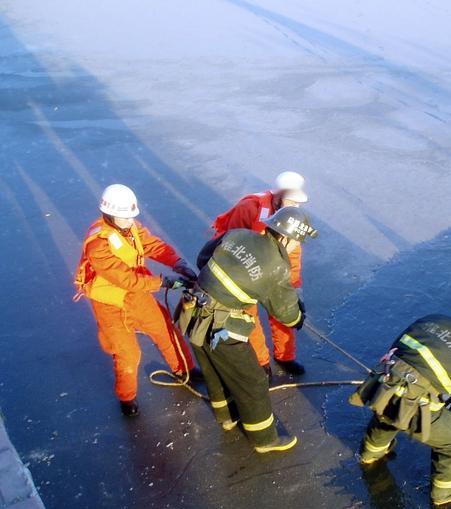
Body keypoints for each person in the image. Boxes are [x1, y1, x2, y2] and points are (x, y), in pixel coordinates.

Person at [351, 294, 451, 507]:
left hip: (383, 383)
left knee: (388, 408)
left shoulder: (433, 320)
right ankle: (446, 494)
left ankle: (370, 452)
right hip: (413, 400)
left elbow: (398, 347)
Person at [177, 206, 317, 453]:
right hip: (219, 325)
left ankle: (227, 417)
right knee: (252, 380)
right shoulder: (277, 267)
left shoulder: (238, 234)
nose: (297, 247)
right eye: (298, 242)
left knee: (213, 369)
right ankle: (264, 439)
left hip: (192, 312)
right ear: (286, 237)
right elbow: (285, 313)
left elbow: (203, 258)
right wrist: (298, 318)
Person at [73, 184, 200, 417]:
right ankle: (127, 397)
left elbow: (152, 245)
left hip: (137, 295)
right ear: (110, 215)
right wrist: (164, 282)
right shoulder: (98, 244)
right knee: (127, 353)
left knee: (165, 330)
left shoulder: (129, 227)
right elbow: (126, 279)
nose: (131, 221)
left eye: (132, 216)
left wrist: (177, 262)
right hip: (110, 303)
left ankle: (185, 370)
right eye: (125, 217)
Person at [211, 171, 309, 376]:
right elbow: (231, 240)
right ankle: (261, 361)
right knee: (249, 316)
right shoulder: (249, 208)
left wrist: (294, 289)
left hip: (272, 268)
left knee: (283, 311)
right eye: (290, 201)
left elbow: (293, 257)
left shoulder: (293, 221)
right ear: (276, 196)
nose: (295, 207)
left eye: (297, 203)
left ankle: (285, 356)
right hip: (246, 269)